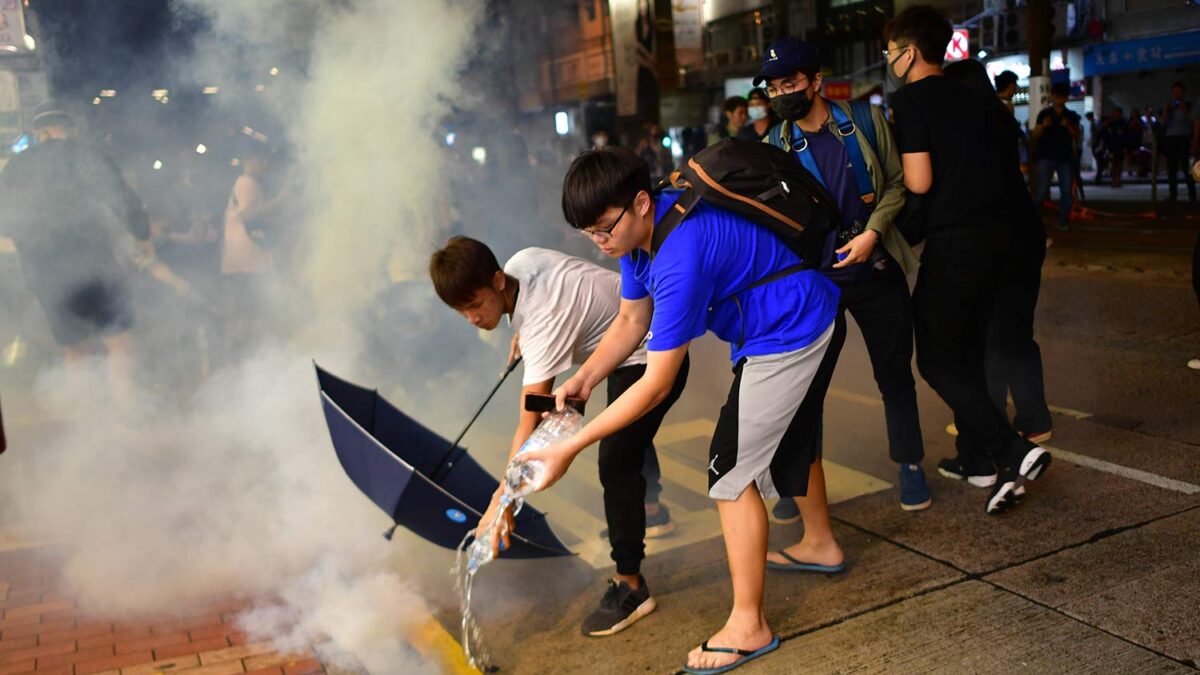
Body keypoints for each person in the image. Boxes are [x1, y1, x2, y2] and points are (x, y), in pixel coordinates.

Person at [526, 146, 844, 674]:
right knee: (787, 433)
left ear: (642, 203)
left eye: (605, 228)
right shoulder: (640, 242)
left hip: (791, 330)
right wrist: (582, 378)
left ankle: (748, 625)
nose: (601, 243)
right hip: (787, 320)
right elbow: (630, 322)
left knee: (728, 470)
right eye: (589, 234)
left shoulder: (680, 255)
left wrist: (570, 446)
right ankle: (822, 544)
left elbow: (654, 385)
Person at [428, 236, 687, 637]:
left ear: (498, 281)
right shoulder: (521, 261)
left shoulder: (542, 328)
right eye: (462, 311)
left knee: (615, 462)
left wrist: (502, 503)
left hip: (652, 351)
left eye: (475, 305)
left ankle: (630, 585)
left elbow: (527, 426)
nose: (473, 319)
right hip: (629, 335)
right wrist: (522, 336)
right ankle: (650, 510)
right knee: (627, 440)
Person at [885, 6, 1052, 515]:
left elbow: (918, 182)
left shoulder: (911, 100)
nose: (890, 59)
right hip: (1005, 242)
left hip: (958, 244)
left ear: (909, 53)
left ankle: (1011, 449)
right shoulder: (976, 98)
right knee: (977, 355)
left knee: (935, 357)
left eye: (892, 52)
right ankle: (986, 464)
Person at [757, 37, 929, 514]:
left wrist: (873, 234)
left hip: (875, 270)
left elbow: (895, 184)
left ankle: (910, 465)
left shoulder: (866, 122)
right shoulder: (773, 147)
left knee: (894, 375)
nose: (781, 93)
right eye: (773, 87)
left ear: (815, 80)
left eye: (789, 82)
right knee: (805, 387)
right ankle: (798, 485)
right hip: (816, 285)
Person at [0, 101, 189, 408]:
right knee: (118, 340)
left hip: (44, 274)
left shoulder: (16, 168)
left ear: (39, 132)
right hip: (95, 267)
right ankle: (125, 408)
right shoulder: (88, 157)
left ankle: (87, 418)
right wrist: (141, 232)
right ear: (69, 129)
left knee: (74, 347)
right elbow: (123, 200)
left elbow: (5, 222)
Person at [946, 58, 1053, 445]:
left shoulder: (966, 129)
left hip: (994, 240)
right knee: (1017, 332)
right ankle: (1035, 418)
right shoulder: (1001, 119)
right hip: (1025, 233)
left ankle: (988, 422)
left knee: (988, 336)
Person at [219, 143, 286, 357]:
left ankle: (246, 358)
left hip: (241, 259)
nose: (265, 165)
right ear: (251, 160)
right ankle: (253, 357)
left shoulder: (244, 183)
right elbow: (247, 216)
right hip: (248, 259)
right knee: (253, 312)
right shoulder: (246, 182)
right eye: (262, 160)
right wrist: (281, 200)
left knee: (245, 313)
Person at [1031, 82, 1081, 232]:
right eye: (1057, 96)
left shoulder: (1071, 115)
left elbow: (1077, 135)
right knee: (1041, 190)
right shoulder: (1044, 114)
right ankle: (1033, 220)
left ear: (1066, 98)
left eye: (1062, 97)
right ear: (1052, 96)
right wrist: (1043, 126)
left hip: (1065, 158)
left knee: (1066, 191)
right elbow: (1035, 134)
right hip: (1046, 156)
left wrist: (1068, 126)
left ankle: (1063, 220)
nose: (1059, 99)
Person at [1161, 82, 1196, 203]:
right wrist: (1166, 111)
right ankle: (1173, 195)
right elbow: (1163, 123)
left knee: (1186, 168)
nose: (1177, 95)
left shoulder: (1189, 105)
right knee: (1172, 168)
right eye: (1175, 93)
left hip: (1184, 138)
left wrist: (1185, 110)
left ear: (1184, 93)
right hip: (1171, 138)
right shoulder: (1170, 106)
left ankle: (1192, 195)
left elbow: (1193, 121)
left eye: (1179, 93)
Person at [1099, 107, 1129, 187]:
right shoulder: (1110, 123)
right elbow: (1104, 134)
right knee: (1113, 163)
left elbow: (1125, 135)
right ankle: (1114, 180)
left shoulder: (1123, 123)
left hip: (1120, 146)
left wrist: (1125, 146)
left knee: (1119, 163)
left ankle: (1118, 179)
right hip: (1112, 146)